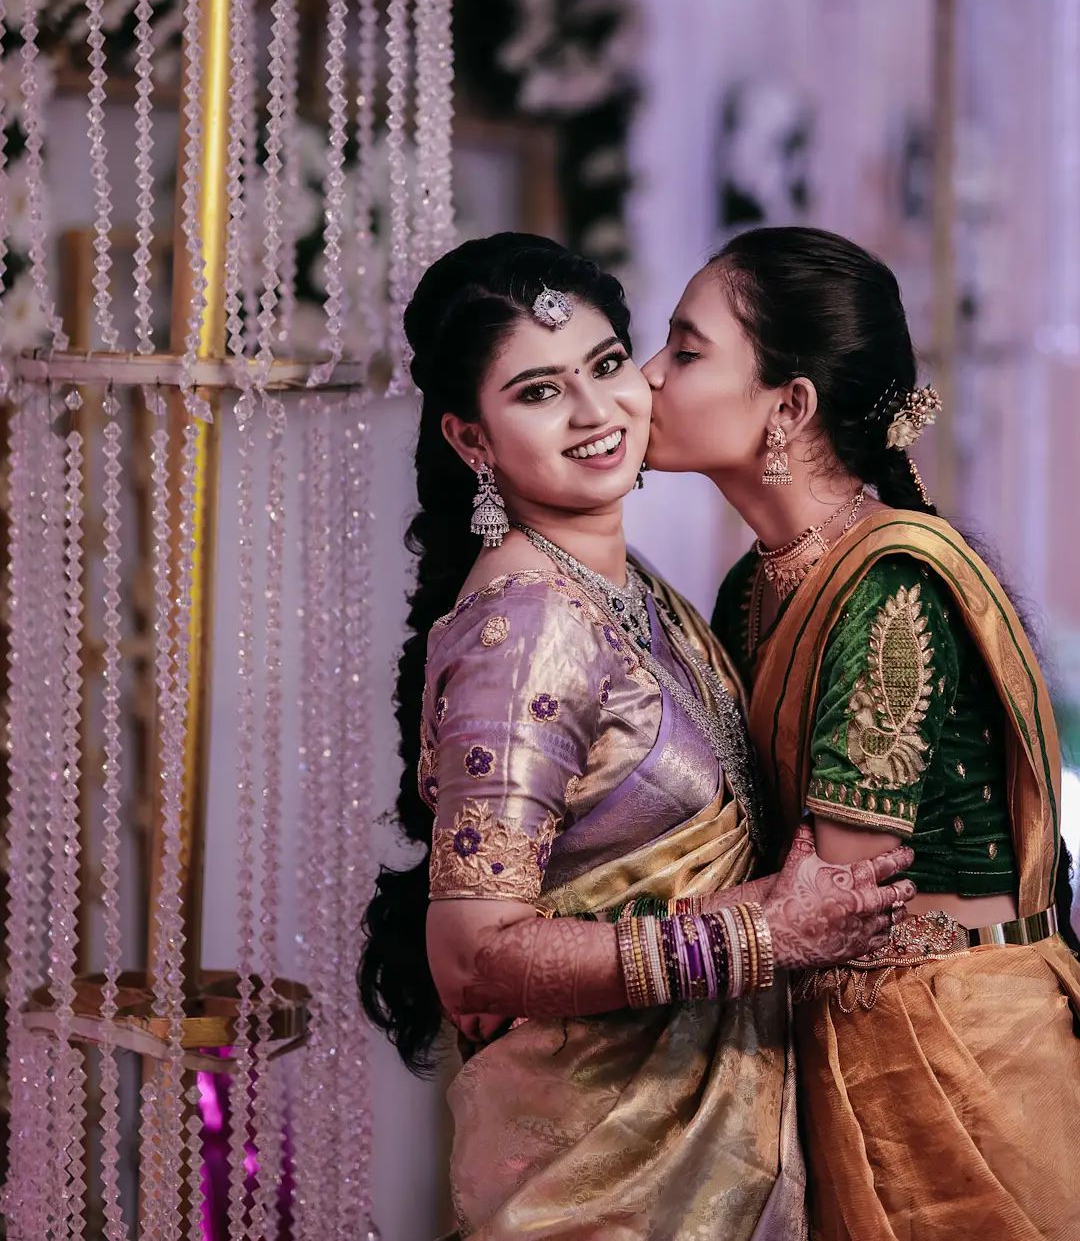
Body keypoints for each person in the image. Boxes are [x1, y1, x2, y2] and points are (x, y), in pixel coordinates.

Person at [358, 232, 913, 1240]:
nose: (595, 411)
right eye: (537, 392)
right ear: (471, 440)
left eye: (609, 366)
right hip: (600, 1187)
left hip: (710, 1161)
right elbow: (472, 959)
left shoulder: (629, 587)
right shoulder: (524, 628)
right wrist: (761, 934)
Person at [642, 224, 1080, 1241]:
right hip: (851, 1048)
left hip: (959, 1062)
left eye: (687, 349)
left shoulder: (889, 587)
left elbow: (830, 898)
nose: (651, 377)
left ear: (788, 406)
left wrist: (574, 949)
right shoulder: (753, 585)